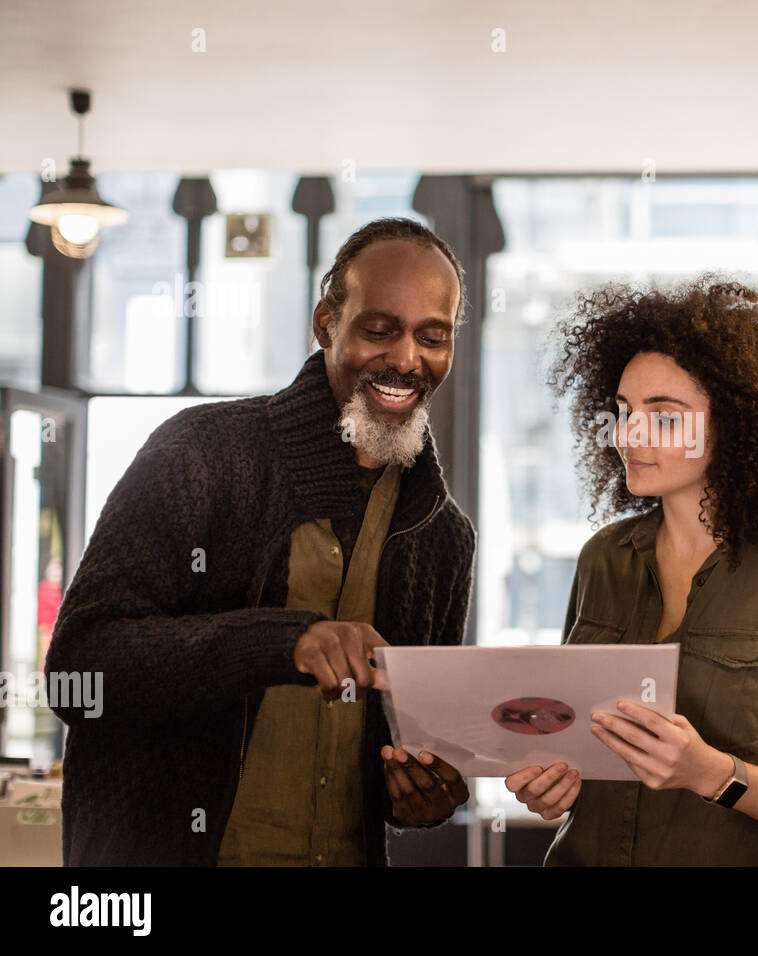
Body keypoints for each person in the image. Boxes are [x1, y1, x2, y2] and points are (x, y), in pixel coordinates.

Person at [45, 217, 475, 866]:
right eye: (379, 329)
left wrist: (421, 796)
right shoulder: (203, 452)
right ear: (326, 323)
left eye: (432, 337)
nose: (407, 359)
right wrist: (283, 642)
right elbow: (81, 669)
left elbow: (404, 750)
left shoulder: (442, 537)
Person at [507, 278, 758, 865]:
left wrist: (711, 774)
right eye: (624, 411)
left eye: (665, 416)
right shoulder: (603, 558)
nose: (629, 434)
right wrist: (552, 786)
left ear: (736, 426)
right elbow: (573, 736)